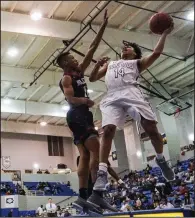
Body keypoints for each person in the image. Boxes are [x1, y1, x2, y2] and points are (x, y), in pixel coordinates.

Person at [87, 20, 175, 208]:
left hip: (131, 93)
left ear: (135, 52)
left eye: (128, 47)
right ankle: (102, 173)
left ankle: (161, 159)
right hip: (112, 97)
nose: (125, 48)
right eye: (124, 47)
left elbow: (157, 53)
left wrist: (164, 34)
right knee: (108, 130)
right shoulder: (111, 64)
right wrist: (97, 65)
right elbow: (93, 78)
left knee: (151, 128)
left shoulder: (137, 63)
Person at [57, 10, 112, 213]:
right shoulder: (66, 78)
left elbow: (92, 47)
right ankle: (96, 195)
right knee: (97, 151)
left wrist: (103, 25)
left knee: (85, 157)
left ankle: (83, 197)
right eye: (71, 57)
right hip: (78, 114)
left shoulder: (78, 71)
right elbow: (70, 98)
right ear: (65, 63)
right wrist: (85, 100)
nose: (75, 58)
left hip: (79, 116)